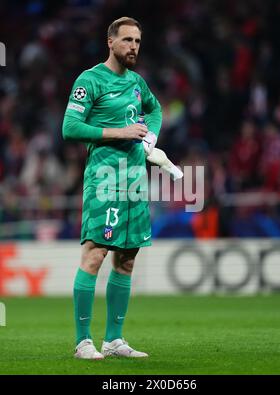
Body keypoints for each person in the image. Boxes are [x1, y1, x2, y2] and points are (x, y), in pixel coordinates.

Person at [62, 17, 162, 359]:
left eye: (137, 40)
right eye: (127, 40)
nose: (133, 46)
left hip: (134, 182)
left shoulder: (137, 82)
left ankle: (114, 340)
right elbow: (70, 127)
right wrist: (122, 132)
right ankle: (82, 342)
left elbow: (155, 109)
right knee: (95, 254)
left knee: (127, 260)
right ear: (110, 42)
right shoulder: (90, 80)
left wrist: (151, 138)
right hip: (104, 181)